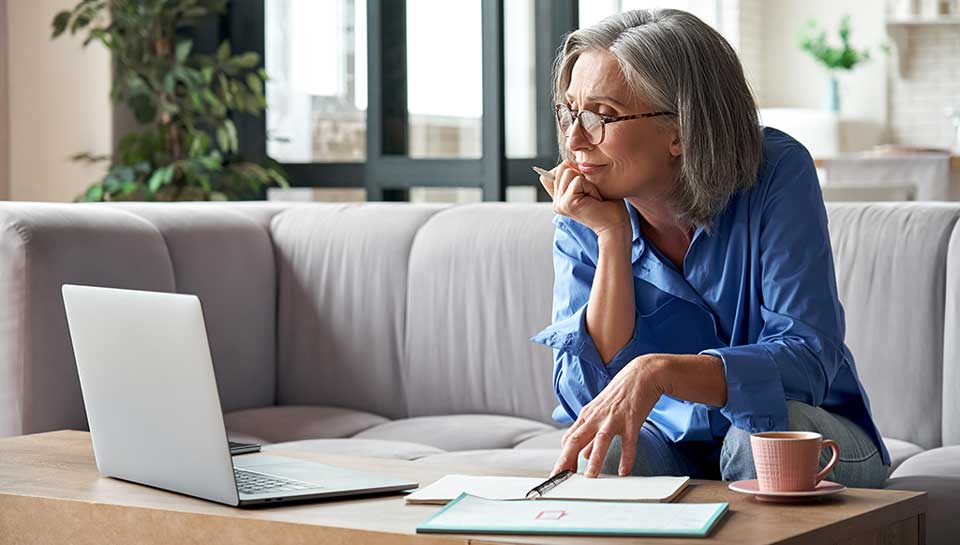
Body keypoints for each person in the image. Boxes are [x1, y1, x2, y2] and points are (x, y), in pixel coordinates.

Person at [531, 8, 890, 487]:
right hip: (671, 442)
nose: (575, 139)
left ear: (681, 130)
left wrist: (661, 372)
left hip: (808, 430)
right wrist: (611, 238)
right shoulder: (587, 206)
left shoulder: (776, 172)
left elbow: (807, 360)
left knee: (756, 438)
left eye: (602, 116)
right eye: (569, 111)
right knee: (606, 449)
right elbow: (588, 397)